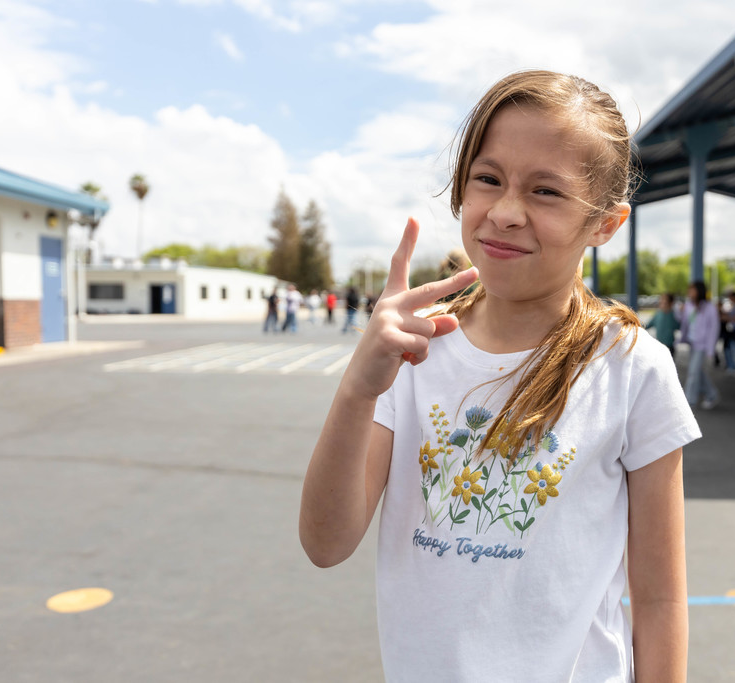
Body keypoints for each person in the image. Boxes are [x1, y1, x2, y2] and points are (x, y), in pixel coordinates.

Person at [299, 70, 700, 682]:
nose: (507, 212)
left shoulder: (633, 367)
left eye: (546, 192)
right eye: (488, 179)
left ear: (605, 225)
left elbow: (660, 598)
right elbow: (326, 544)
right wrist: (358, 387)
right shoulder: (414, 351)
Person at [680, 281, 721, 410]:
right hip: (692, 343)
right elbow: (684, 323)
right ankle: (712, 395)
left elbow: (714, 329)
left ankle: (688, 401)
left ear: (699, 291)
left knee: (693, 372)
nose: (689, 293)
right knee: (698, 372)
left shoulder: (710, 308)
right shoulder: (688, 306)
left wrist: (710, 349)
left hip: (702, 346)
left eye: (692, 290)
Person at [645, 292, 679, 356]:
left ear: (671, 303)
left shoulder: (674, 315)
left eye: (664, 301)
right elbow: (647, 325)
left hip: (670, 346)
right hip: (659, 345)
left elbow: (680, 326)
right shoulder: (657, 314)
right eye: (661, 301)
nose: (662, 303)